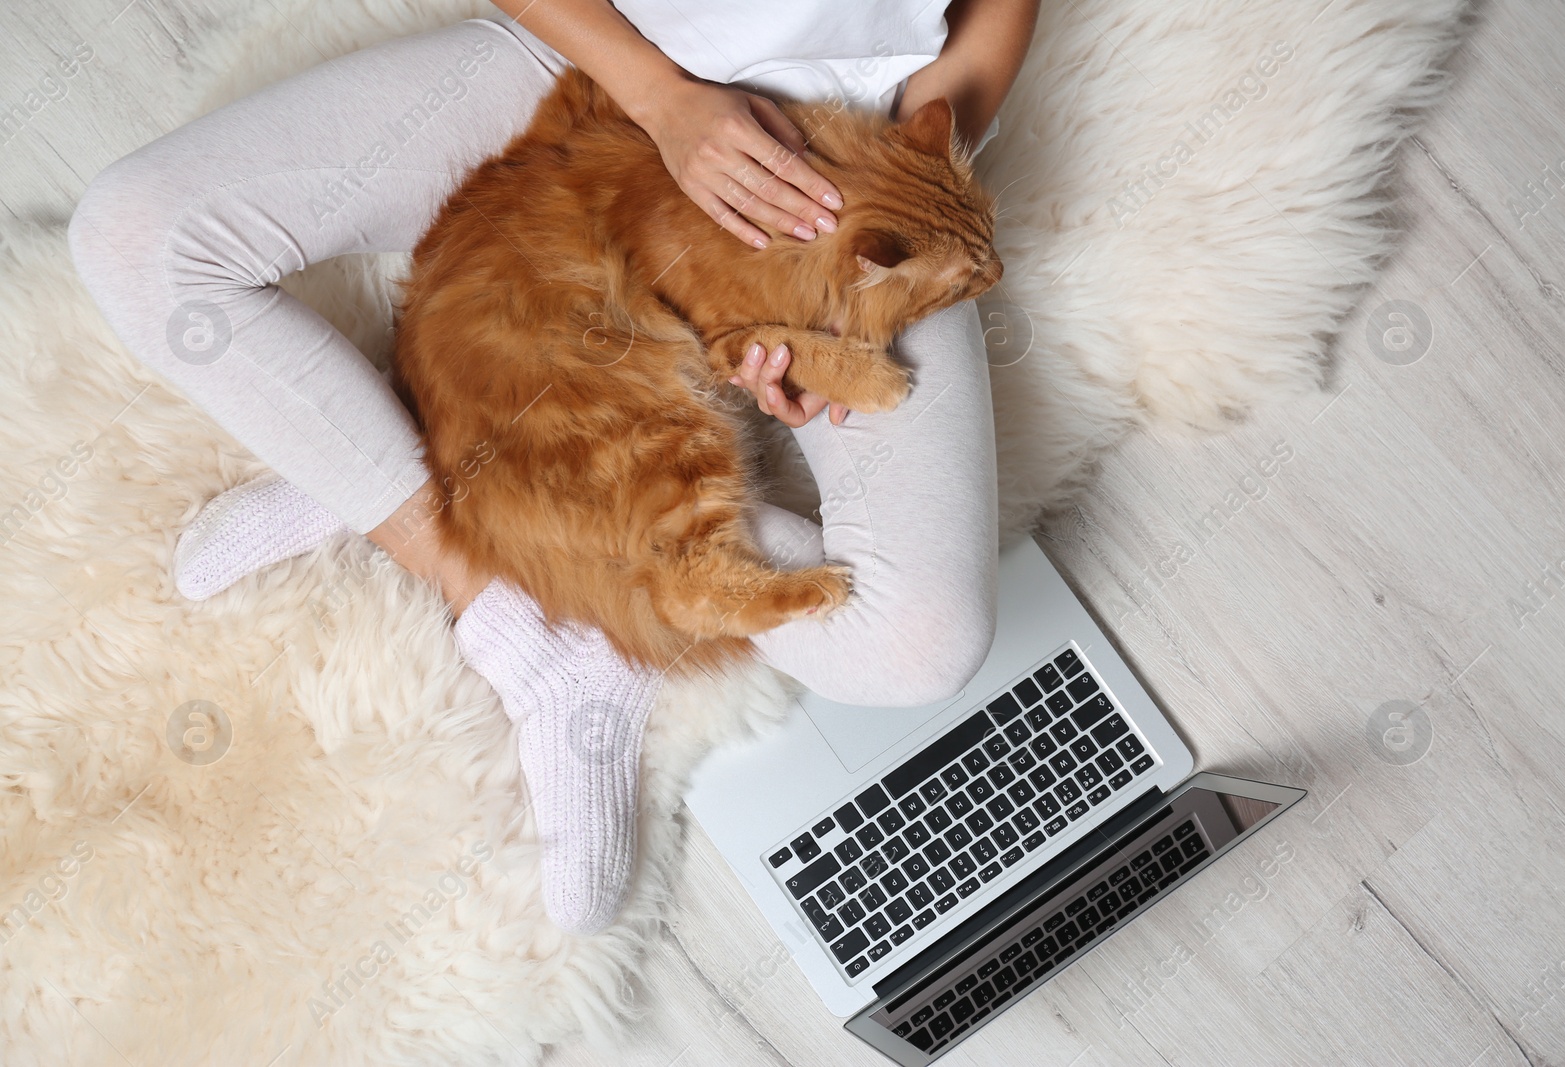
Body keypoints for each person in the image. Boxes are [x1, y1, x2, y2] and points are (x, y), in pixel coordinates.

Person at [67, 0, 1040, 934]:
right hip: (597, 72)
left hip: (848, 177)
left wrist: (890, 207)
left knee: (918, 646)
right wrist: (662, 99)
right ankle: (505, 596)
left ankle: (411, 454)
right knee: (136, 235)